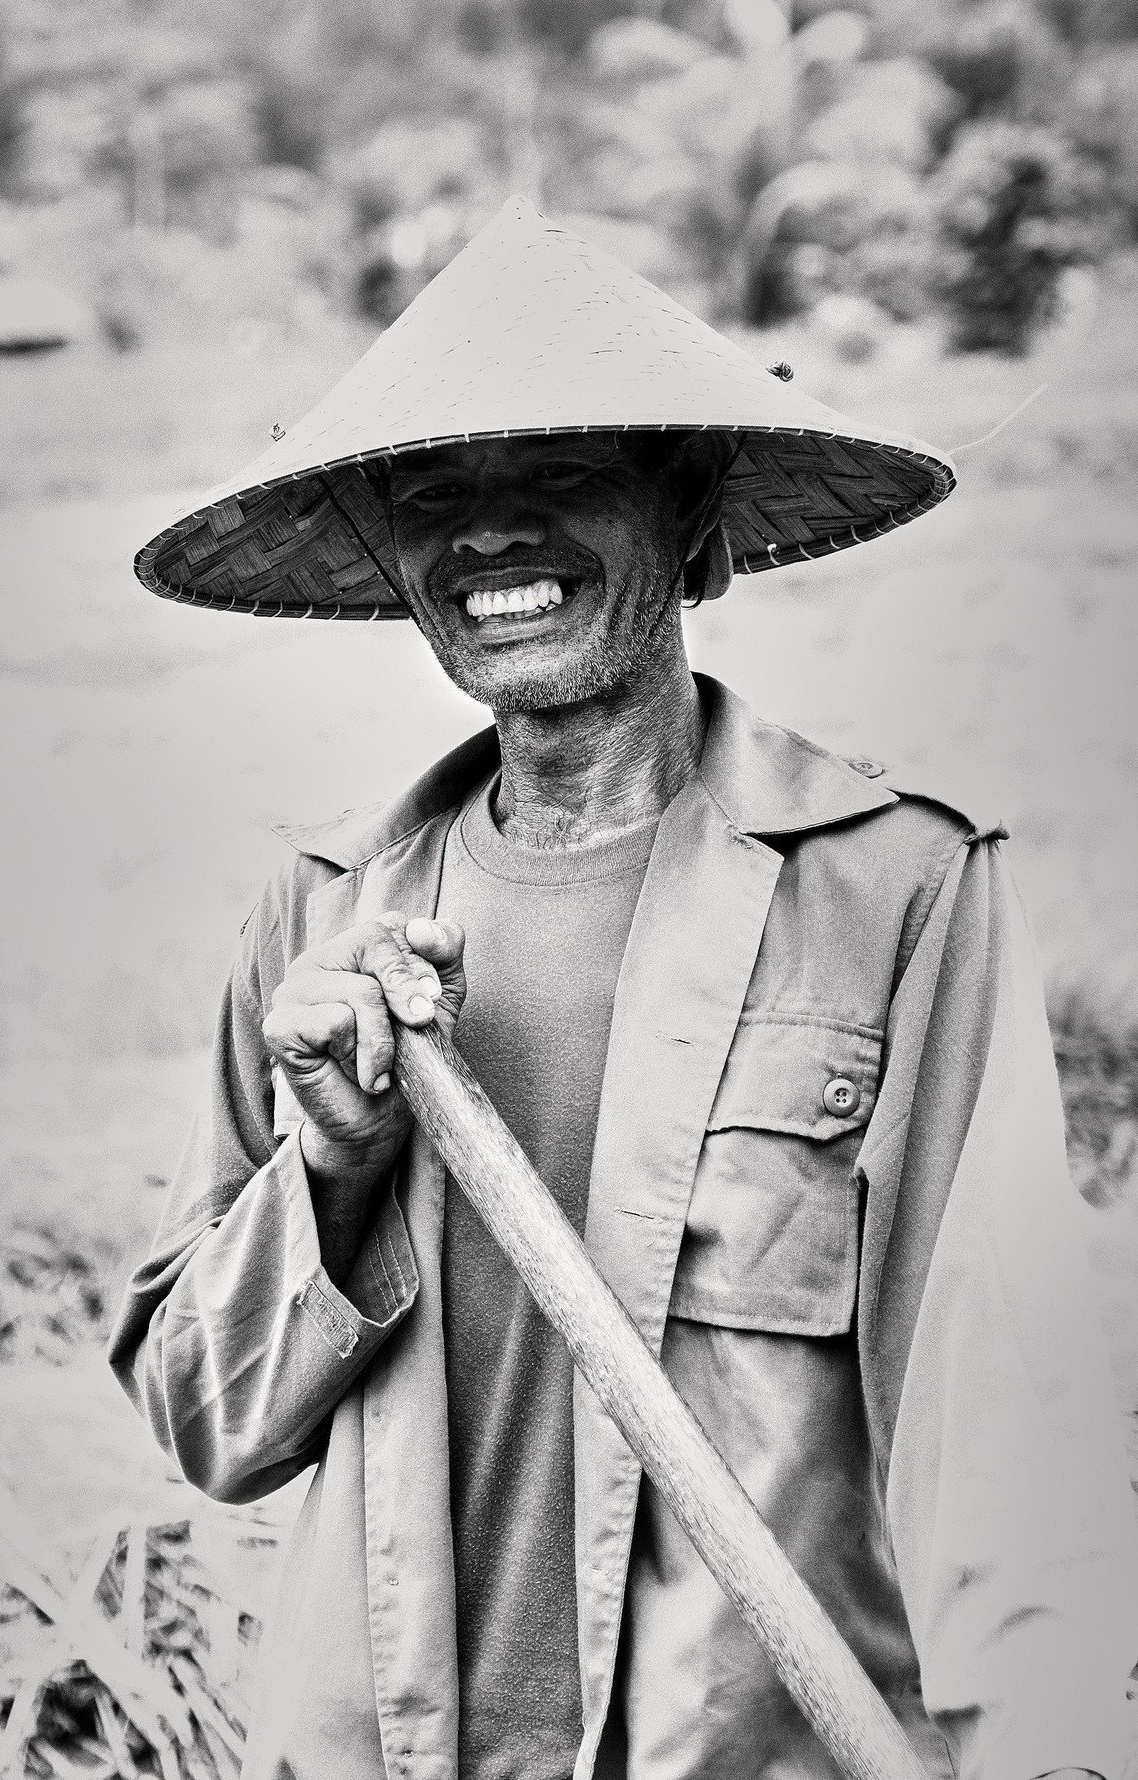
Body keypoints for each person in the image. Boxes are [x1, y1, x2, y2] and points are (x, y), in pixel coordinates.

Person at [108, 199, 1136, 1780]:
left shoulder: (896, 887)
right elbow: (209, 1426)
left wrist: (1040, 1750)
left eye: (563, 476)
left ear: (687, 502)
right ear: (392, 552)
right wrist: (328, 1161)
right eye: (438, 494)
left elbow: (988, 1418)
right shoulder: (323, 919)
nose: (493, 539)